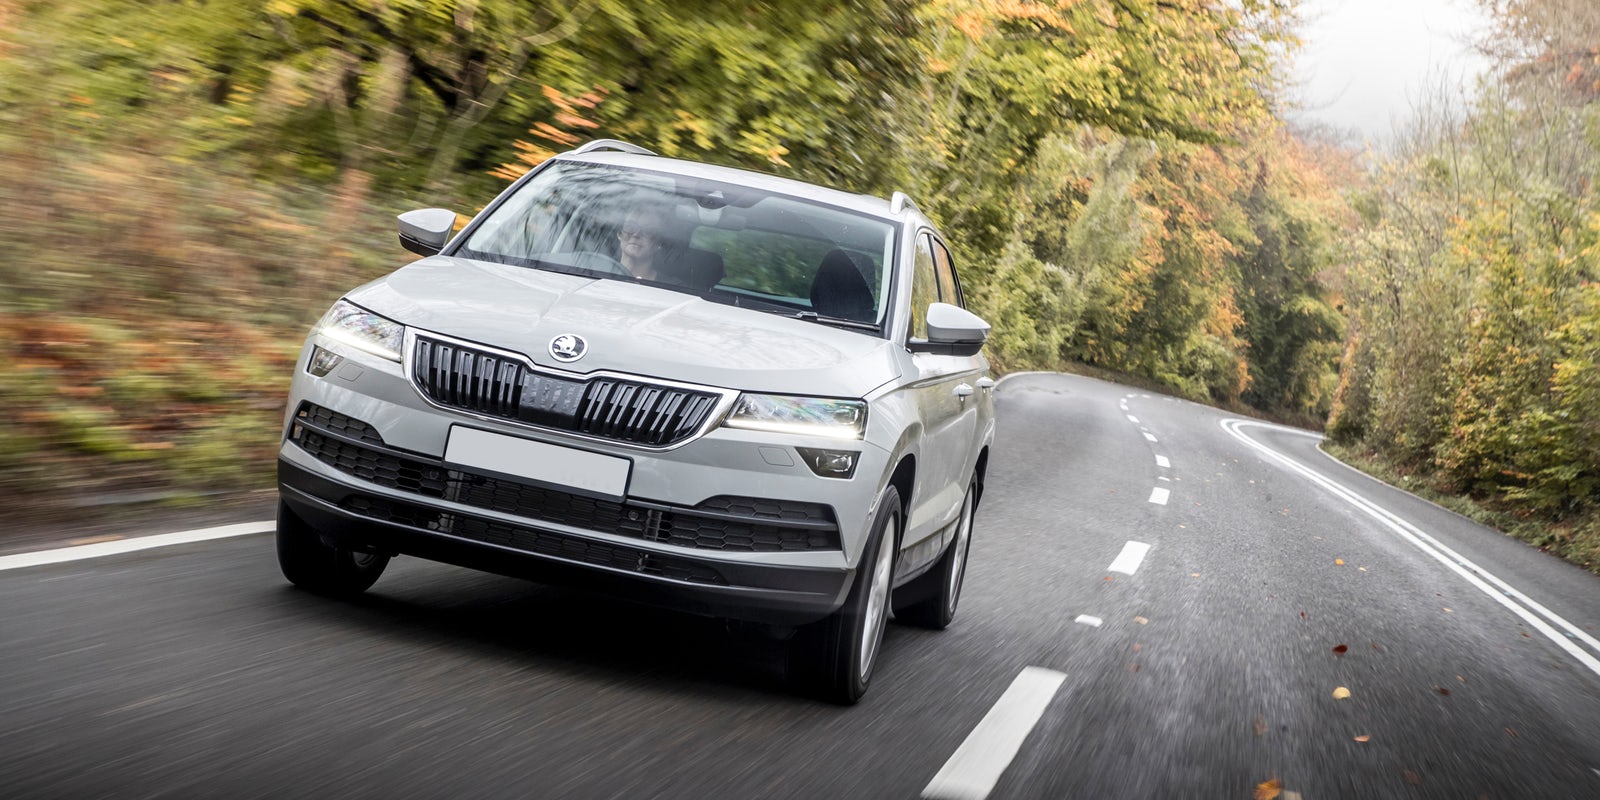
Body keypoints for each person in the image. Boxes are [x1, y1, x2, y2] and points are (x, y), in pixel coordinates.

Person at [617, 204, 672, 281]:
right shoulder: (597, 270)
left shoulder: (671, 289)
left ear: (659, 243)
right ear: (620, 234)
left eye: (648, 231)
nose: (636, 234)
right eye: (630, 226)